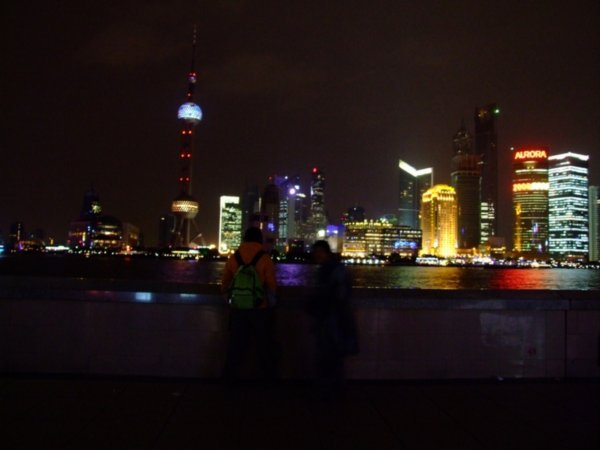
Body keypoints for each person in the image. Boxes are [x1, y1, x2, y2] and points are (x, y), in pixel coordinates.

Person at [221, 227, 279, 383]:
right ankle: (269, 380)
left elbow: (225, 283)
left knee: (235, 346)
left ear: (245, 239)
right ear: (259, 240)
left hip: (238, 308)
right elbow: (271, 284)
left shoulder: (235, 257)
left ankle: (229, 380)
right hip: (259, 308)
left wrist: (231, 300)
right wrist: (271, 304)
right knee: (264, 346)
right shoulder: (264, 258)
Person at [306, 240, 358, 397]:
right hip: (333, 318)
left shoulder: (331, 269)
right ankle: (333, 390)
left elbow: (335, 296)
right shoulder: (331, 268)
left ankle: (330, 390)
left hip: (333, 319)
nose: (316, 255)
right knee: (332, 356)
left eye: (318, 252)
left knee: (329, 355)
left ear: (325, 252)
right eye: (315, 253)